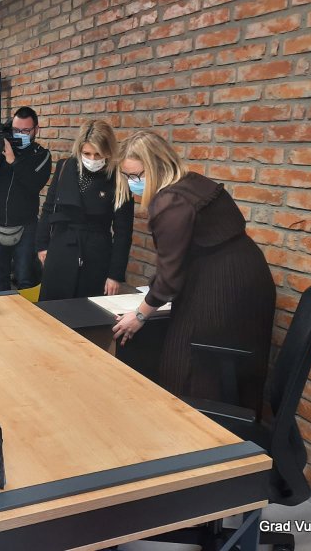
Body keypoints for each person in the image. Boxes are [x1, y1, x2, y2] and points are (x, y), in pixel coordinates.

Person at [111, 130, 276, 413]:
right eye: (127, 176)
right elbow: (177, 260)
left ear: (157, 167)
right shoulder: (192, 183)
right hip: (246, 278)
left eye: (136, 176)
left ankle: (190, 427)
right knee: (227, 371)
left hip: (223, 288)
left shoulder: (170, 202)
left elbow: (170, 275)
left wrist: (139, 315)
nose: (132, 183)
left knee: (185, 358)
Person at [36, 120, 134, 301]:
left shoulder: (119, 178)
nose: (93, 159)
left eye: (98, 154)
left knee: (88, 310)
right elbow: (49, 208)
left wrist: (115, 274)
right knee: (52, 308)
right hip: (61, 249)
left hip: (96, 255)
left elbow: (123, 232)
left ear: (108, 152)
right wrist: (42, 245)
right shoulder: (65, 167)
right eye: (87, 153)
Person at [0, 106, 51, 291]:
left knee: (25, 280)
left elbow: (34, 184)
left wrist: (13, 161)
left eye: (25, 131)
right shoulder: (0, 150)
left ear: (36, 130)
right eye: (15, 130)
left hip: (26, 226)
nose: (20, 134)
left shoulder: (41, 154)